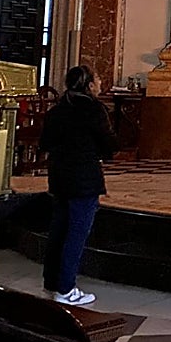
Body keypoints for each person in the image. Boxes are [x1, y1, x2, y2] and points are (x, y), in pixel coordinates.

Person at [39, 64, 117, 306]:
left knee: (59, 230)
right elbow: (109, 143)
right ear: (89, 85)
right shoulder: (93, 109)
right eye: (98, 79)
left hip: (60, 176)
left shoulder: (57, 110)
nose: (101, 83)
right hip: (83, 178)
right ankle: (66, 288)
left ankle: (52, 282)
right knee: (77, 233)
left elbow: (45, 143)